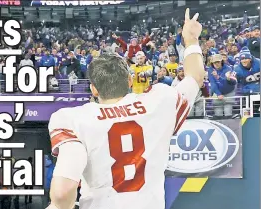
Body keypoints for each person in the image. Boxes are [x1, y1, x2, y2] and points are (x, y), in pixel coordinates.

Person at [46, 8, 205, 209]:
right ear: (129, 80)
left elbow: (62, 194)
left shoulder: (73, 119)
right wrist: (191, 40)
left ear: (94, 89)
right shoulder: (159, 100)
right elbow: (195, 76)